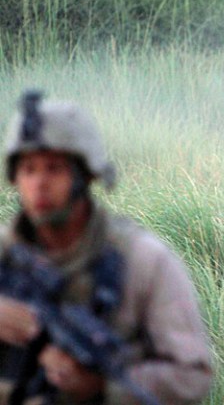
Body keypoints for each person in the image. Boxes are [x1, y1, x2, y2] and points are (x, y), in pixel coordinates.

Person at [0, 90, 212, 404]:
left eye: (54, 168)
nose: (39, 183)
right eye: (28, 170)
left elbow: (193, 375)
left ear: (85, 176)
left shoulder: (143, 260)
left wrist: (104, 386)